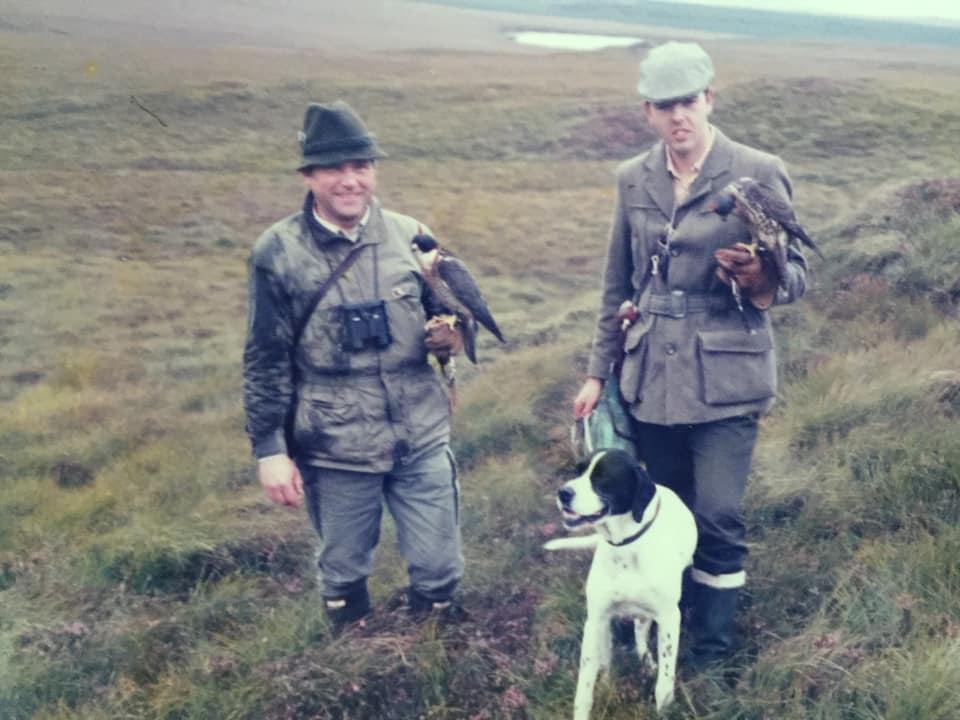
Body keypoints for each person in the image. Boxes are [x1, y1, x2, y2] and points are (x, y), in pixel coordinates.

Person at [573, 42, 808, 668]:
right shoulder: (633, 177)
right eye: (664, 105)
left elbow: (797, 275)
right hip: (652, 375)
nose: (678, 115)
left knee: (719, 513)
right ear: (648, 112)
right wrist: (597, 372)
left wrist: (760, 277)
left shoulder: (758, 170)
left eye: (688, 101)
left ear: (709, 99)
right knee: (663, 510)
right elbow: (616, 283)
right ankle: (663, 632)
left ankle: (712, 652)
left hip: (729, 374)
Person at [243, 100, 465, 630]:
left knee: (439, 569)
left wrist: (450, 338)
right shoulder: (278, 251)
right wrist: (270, 450)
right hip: (335, 444)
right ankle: (353, 657)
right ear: (308, 176)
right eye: (333, 168)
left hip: (419, 432)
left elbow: (453, 314)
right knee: (343, 572)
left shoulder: (412, 235)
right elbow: (265, 357)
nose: (350, 180)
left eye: (361, 166)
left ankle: (432, 653)